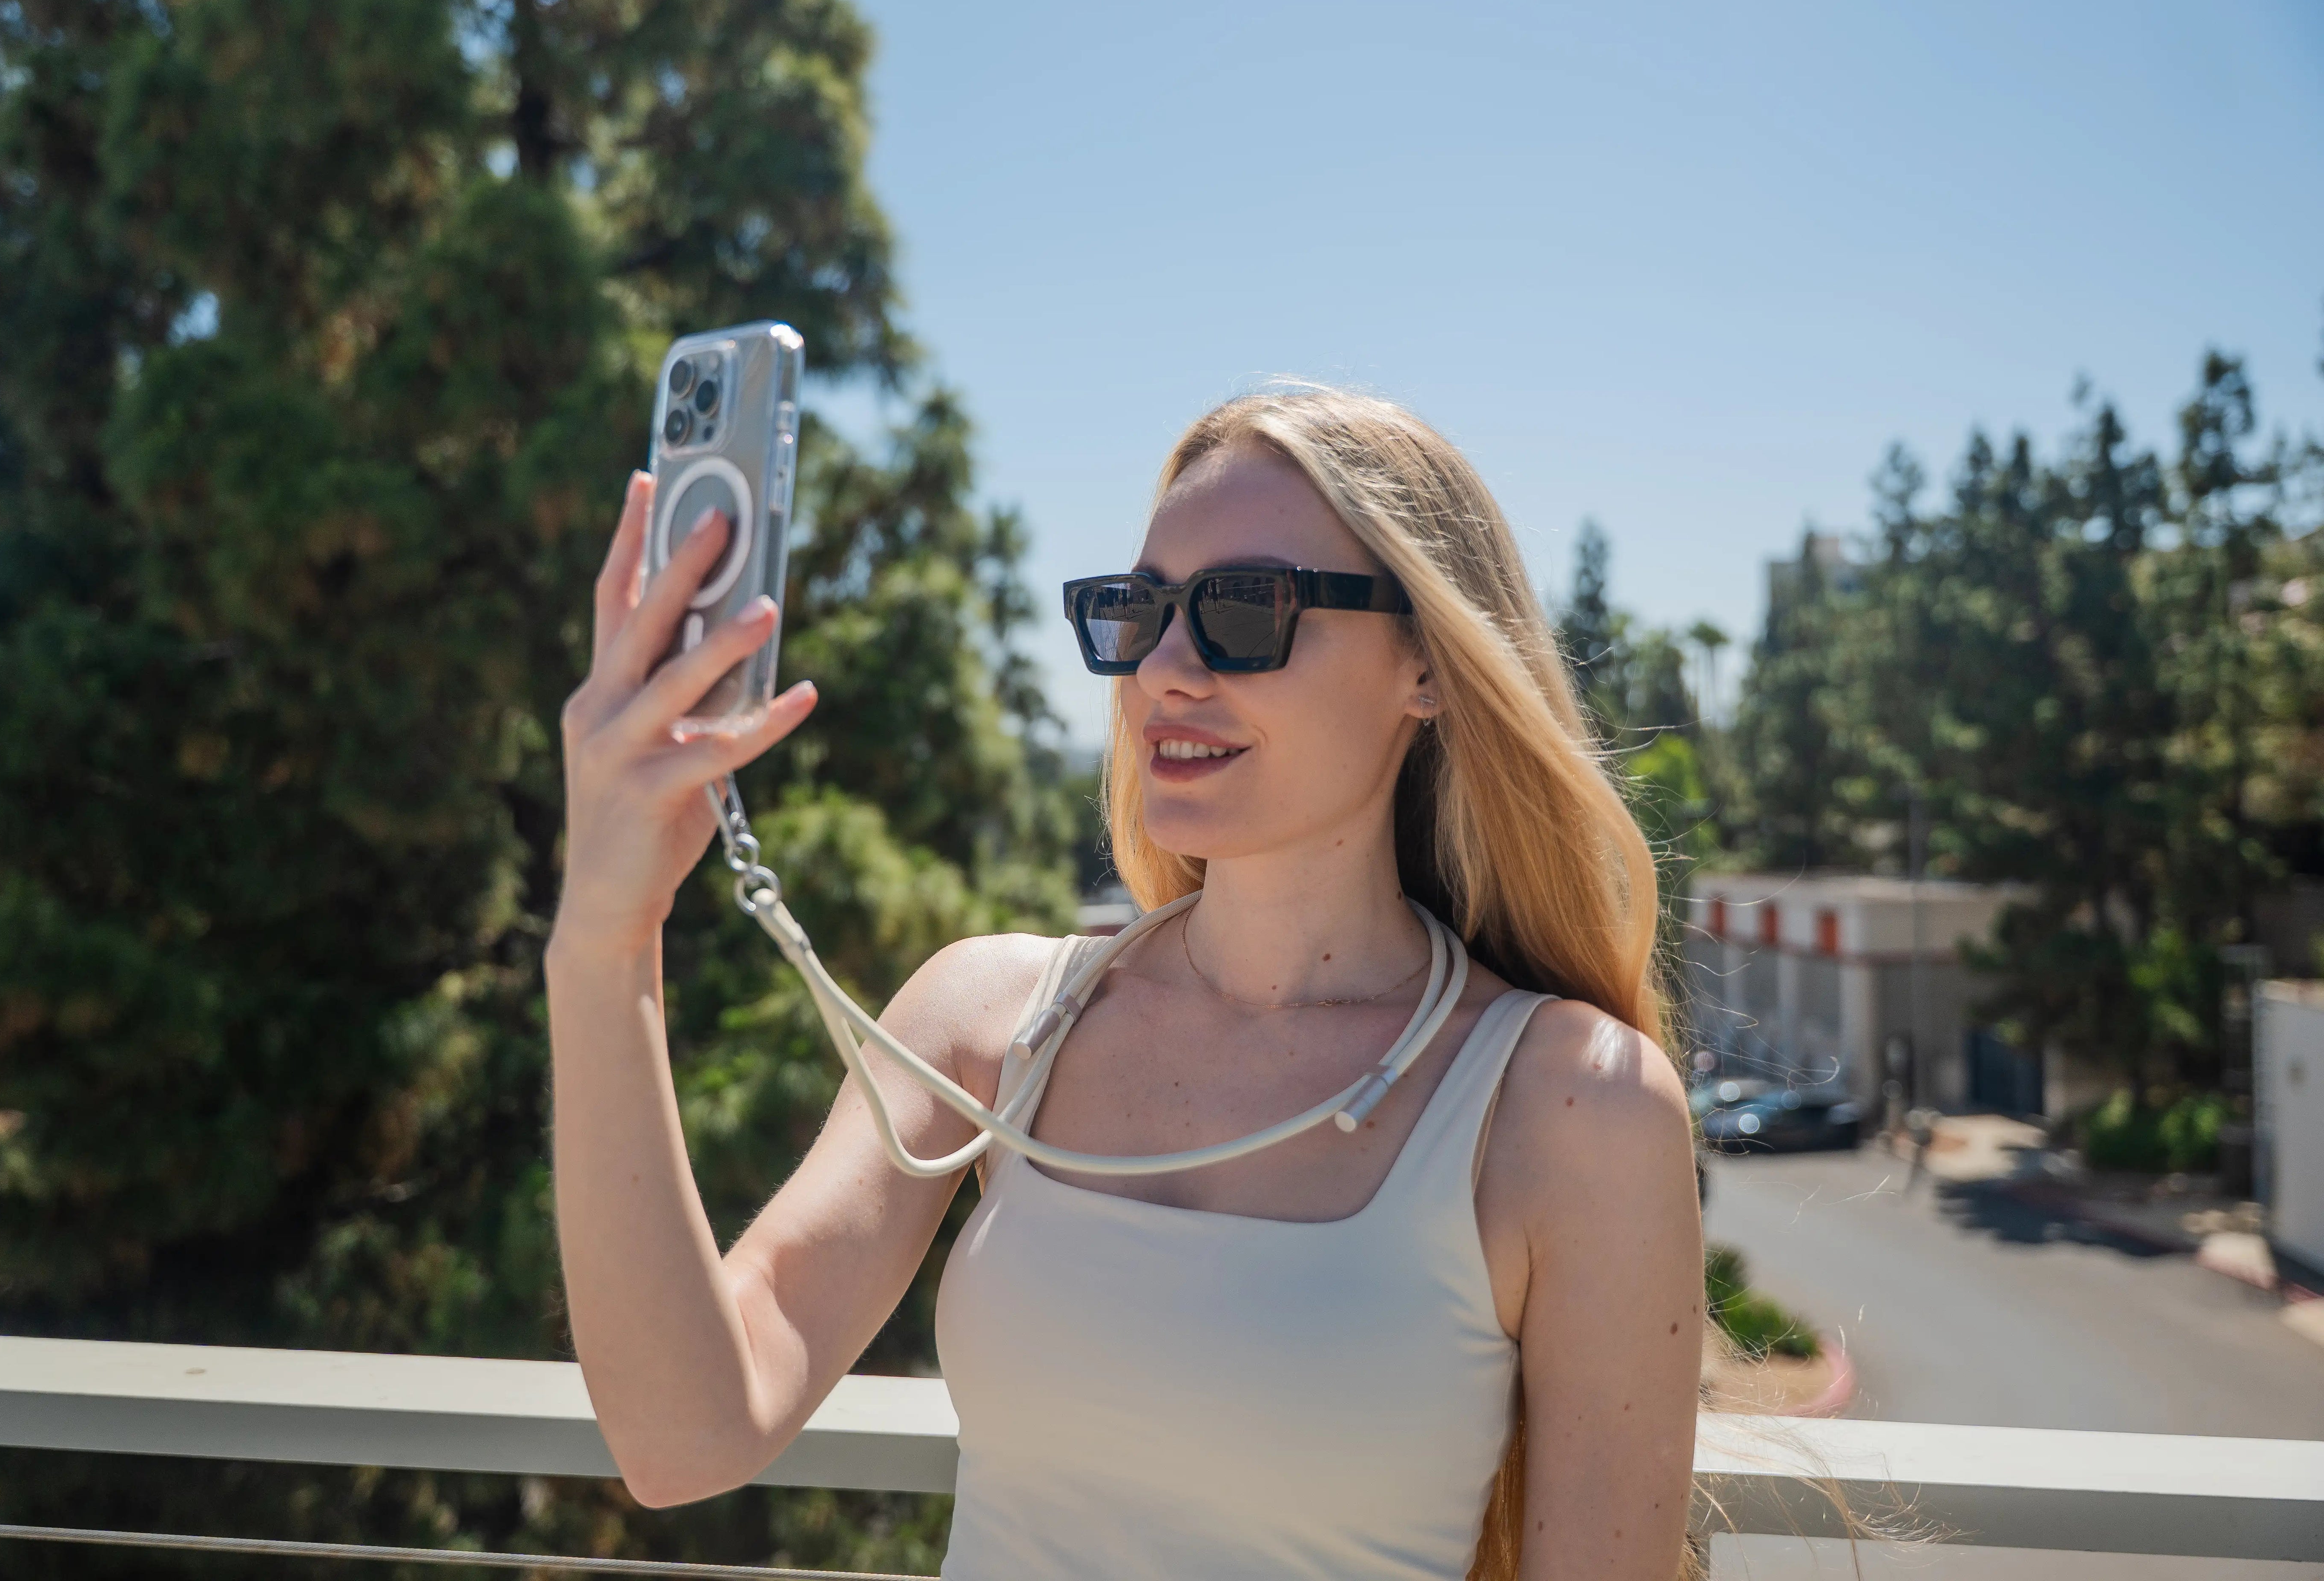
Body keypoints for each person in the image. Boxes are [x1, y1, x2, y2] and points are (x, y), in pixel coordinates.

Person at [548, 386, 1704, 1580]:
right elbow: (683, 1434)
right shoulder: (989, 1023)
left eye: (1243, 611)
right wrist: (602, 938)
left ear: (1427, 663)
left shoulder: (1577, 1109)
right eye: (1139, 612)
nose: (1163, 669)